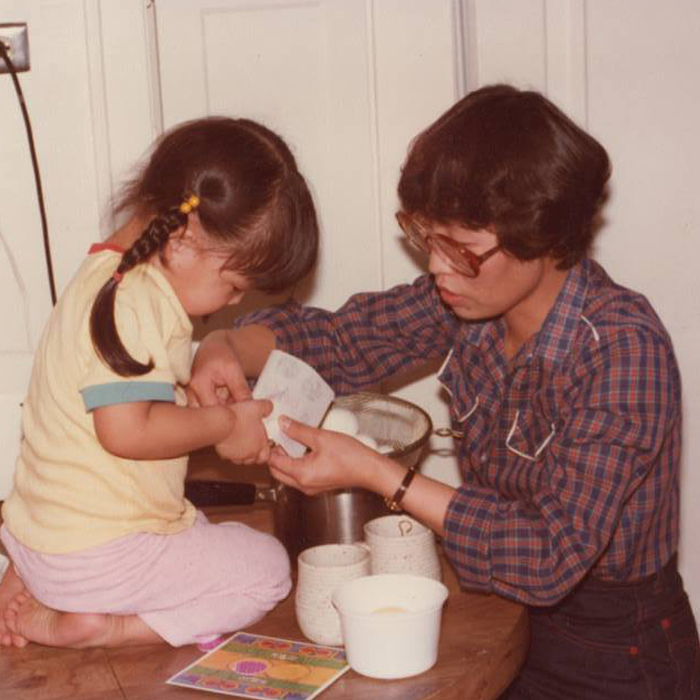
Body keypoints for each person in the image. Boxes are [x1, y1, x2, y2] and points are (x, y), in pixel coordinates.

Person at [187, 84, 700, 698]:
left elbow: (548, 555)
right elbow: (343, 338)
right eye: (427, 238)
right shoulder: (465, 304)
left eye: (463, 250)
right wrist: (228, 349)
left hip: (617, 651)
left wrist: (381, 475)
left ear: (545, 236)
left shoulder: (622, 349)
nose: (437, 268)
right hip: (499, 613)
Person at [0, 115, 319, 649]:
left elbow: (117, 401)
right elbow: (124, 433)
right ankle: (104, 624)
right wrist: (223, 425)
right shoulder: (139, 303)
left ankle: (41, 580)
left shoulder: (108, 274)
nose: (235, 302)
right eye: (235, 285)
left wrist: (193, 390)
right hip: (95, 554)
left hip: (39, 532)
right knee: (267, 569)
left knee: (199, 533)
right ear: (184, 239)